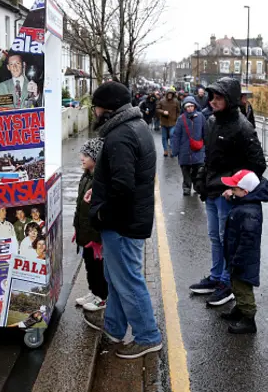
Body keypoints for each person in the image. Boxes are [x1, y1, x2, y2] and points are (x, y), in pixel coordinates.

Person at [85, 81, 162, 360]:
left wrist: (103, 211)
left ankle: (148, 336)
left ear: (107, 109)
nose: (93, 112)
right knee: (116, 278)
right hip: (129, 219)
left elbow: (123, 185)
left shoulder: (120, 136)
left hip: (121, 223)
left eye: (96, 107)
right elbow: (121, 176)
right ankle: (115, 328)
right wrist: (99, 188)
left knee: (127, 280)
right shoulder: (135, 126)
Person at [191, 77, 266, 307]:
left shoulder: (243, 127)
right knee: (215, 237)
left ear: (230, 99)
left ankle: (227, 282)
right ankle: (216, 276)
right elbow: (210, 156)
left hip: (227, 194)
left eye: (218, 97)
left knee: (227, 239)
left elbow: (258, 164)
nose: (213, 101)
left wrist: (236, 187)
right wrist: (202, 178)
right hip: (213, 191)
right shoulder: (211, 121)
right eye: (212, 97)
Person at [218, 170, 268, 334]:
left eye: (235, 189)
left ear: (245, 192)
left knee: (243, 288)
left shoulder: (249, 213)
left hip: (243, 259)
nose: (232, 191)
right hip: (237, 256)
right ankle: (239, 310)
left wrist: (238, 260)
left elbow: (248, 240)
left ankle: (249, 318)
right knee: (236, 284)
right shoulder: (245, 204)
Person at [74, 138, 109, 312]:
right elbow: (80, 206)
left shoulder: (100, 180)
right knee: (89, 266)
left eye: (86, 155)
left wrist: (97, 237)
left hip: (95, 236)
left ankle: (102, 296)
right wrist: (77, 228)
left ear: (96, 158)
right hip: (85, 232)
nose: (82, 158)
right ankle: (93, 291)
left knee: (98, 268)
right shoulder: (86, 176)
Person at [171, 96, 205, 196]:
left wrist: (206, 147)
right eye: (188, 106)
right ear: (185, 108)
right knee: (185, 169)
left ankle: (195, 185)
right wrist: (175, 150)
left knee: (196, 168)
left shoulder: (201, 117)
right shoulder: (181, 119)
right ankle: (186, 187)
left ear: (194, 106)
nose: (190, 108)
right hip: (184, 150)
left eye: (191, 106)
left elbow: (205, 132)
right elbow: (176, 135)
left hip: (197, 149)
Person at [156, 88, 181, 157]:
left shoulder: (176, 101)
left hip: (173, 123)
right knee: (164, 137)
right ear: (166, 94)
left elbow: (179, 111)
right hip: (164, 123)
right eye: (169, 94)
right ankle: (165, 150)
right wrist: (163, 112)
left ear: (173, 95)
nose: (170, 95)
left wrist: (177, 118)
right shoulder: (162, 101)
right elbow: (157, 109)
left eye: (171, 94)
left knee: (172, 135)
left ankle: (172, 150)